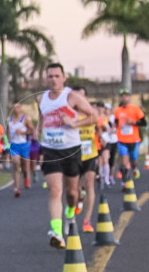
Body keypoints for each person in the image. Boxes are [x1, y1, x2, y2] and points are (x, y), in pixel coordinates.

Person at [35, 63, 97, 248]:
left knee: (72, 193)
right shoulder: (41, 98)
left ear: (64, 78)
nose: (53, 79)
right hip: (50, 149)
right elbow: (41, 117)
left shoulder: (72, 97)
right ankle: (57, 232)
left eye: (56, 76)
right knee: (55, 190)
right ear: (46, 79)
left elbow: (93, 117)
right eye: (50, 76)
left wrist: (75, 124)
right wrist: (39, 133)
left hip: (71, 149)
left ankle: (70, 213)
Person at [72, 86, 100, 232]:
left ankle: (87, 221)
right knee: (74, 189)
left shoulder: (92, 113)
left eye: (82, 96)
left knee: (90, 184)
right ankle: (78, 200)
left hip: (90, 154)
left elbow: (100, 127)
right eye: (76, 96)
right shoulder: (69, 114)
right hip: (73, 154)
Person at [114, 88, 147, 182]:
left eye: (126, 96)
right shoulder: (117, 111)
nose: (124, 98)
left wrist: (134, 122)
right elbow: (115, 123)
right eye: (122, 96)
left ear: (129, 97)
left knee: (133, 159)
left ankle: (134, 167)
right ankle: (125, 181)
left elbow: (144, 123)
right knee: (124, 161)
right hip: (121, 139)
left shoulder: (135, 109)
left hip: (134, 139)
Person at [8, 103, 36, 197]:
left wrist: (23, 132)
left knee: (25, 166)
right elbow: (7, 132)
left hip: (24, 145)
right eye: (14, 107)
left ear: (20, 108)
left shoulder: (25, 119)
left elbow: (32, 130)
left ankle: (26, 178)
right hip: (14, 145)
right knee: (16, 164)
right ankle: (16, 188)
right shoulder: (9, 119)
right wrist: (7, 142)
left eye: (18, 107)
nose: (16, 109)